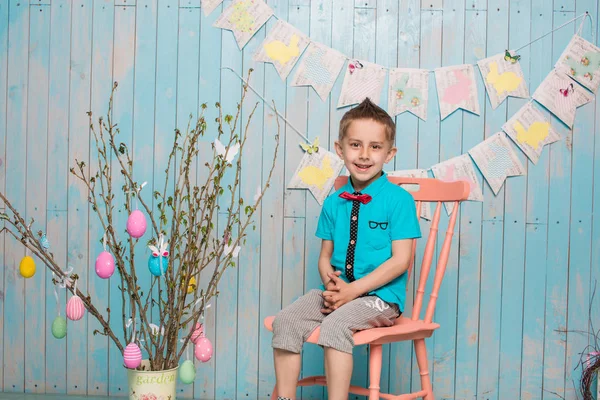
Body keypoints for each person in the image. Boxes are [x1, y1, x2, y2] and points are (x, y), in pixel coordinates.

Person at [271, 98, 421, 400]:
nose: (364, 155)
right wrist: (332, 283)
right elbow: (325, 257)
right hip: (341, 292)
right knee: (285, 320)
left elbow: (401, 261)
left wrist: (353, 292)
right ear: (340, 149)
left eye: (375, 147)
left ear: (389, 154)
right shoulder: (333, 201)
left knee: (335, 325)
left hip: (380, 299)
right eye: (355, 145)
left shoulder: (398, 200)